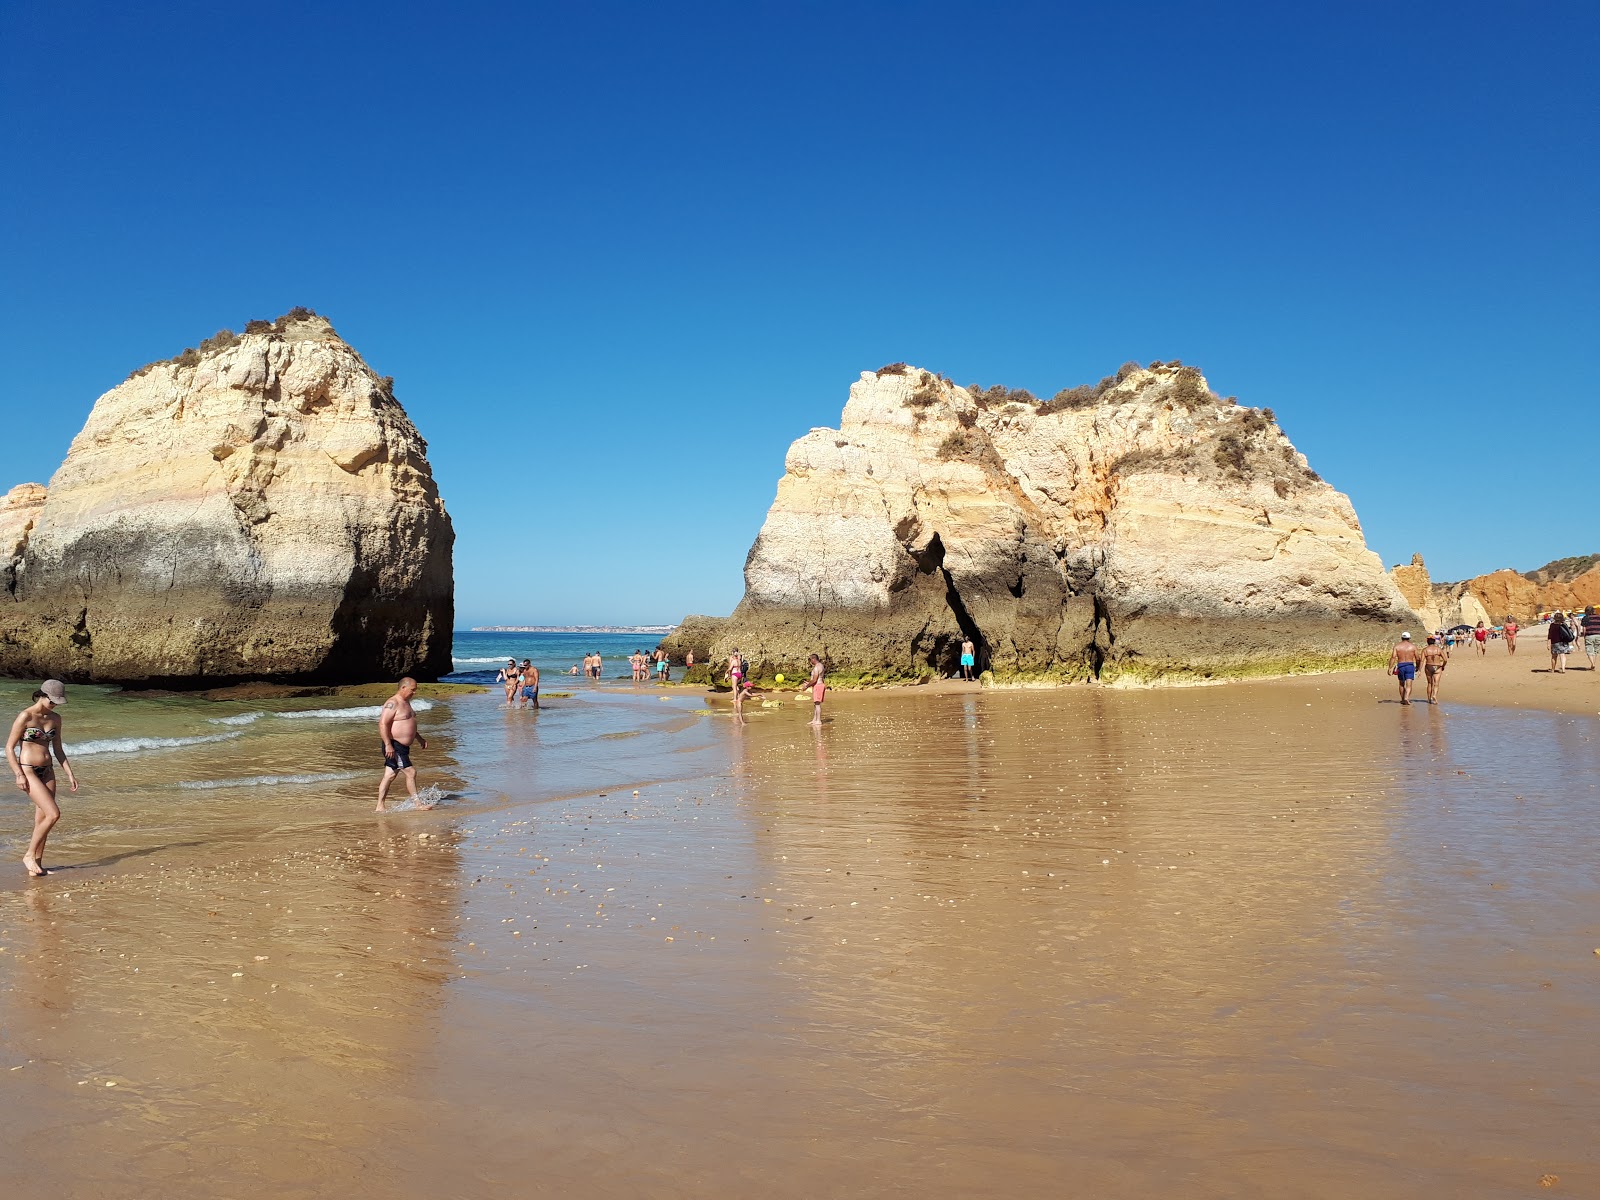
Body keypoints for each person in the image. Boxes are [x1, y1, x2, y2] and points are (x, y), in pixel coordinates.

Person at [5, 680, 78, 877]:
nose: (54, 705)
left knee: (43, 819)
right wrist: (18, 774)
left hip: (48, 771)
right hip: (29, 770)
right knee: (54, 814)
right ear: (42, 695)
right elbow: (9, 748)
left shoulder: (56, 718)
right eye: (52, 701)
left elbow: (59, 749)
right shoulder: (25, 716)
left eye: (57, 702)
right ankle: (29, 855)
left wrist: (70, 774)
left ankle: (37, 866)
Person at [377, 677, 430, 812]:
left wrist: (419, 738)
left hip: (402, 747)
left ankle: (380, 806)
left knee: (390, 775)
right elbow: (383, 724)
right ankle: (418, 805)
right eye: (412, 690)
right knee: (411, 772)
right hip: (394, 745)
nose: (414, 693)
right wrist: (388, 745)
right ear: (403, 688)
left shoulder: (407, 703)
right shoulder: (392, 703)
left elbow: (409, 724)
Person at [1387, 632, 1422, 705]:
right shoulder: (1413, 647)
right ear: (1409, 638)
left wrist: (1390, 668)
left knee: (1401, 684)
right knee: (1409, 684)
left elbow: (1393, 657)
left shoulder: (1397, 646)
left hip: (1401, 665)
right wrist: (1418, 667)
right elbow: (1418, 658)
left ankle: (1403, 699)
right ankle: (1406, 697)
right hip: (1410, 666)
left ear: (1401, 637)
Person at [797, 653, 826, 726]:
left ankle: (818, 721)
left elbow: (815, 680)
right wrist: (808, 682)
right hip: (819, 685)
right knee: (815, 703)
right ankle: (814, 719)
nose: (810, 662)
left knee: (817, 704)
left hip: (818, 686)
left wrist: (806, 686)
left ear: (813, 659)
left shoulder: (816, 667)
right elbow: (816, 679)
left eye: (810, 660)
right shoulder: (821, 665)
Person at [1421, 635, 1449, 704]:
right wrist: (1443, 666)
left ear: (1427, 641)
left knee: (1430, 683)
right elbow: (1445, 659)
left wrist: (1419, 670)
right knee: (1436, 683)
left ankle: (1429, 699)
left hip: (1429, 666)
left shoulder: (1425, 650)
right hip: (1437, 666)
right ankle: (1434, 695)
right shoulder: (1438, 649)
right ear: (1434, 641)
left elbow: (1422, 660)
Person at [1582, 605, 1600, 671]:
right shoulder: (1598, 617)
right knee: (1595, 651)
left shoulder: (1585, 618)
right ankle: (1593, 664)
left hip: (1589, 635)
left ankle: (1592, 663)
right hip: (1598, 635)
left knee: (1589, 650)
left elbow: (1584, 628)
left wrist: (1584, 635)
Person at [728, 650, 745, 718]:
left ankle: (735, 699)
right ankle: (738, 696)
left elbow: (730, 668)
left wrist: (727, 673)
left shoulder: (734, 661)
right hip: (740, 674)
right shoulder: (739, 661)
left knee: (734, 687)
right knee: (736, 686)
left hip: (734, 674)